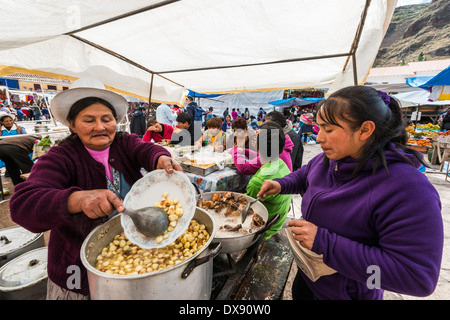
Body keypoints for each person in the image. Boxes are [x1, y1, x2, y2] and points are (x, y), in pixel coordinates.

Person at [257, 85, 443, 300]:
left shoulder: (408, 189)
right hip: (309, 280)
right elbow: (307, 174)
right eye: (318, 129)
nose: (319, 138)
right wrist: (281, 184)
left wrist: (325, 243)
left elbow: (417, 279)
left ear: (365, 130)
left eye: (328, 130)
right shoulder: (332, 158)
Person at [9, 78, 182, 299]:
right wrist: (77, 200)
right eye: (89, 120)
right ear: (72, 124)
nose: (100, 127)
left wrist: (160, 158)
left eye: (106, 119)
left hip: (134, 253)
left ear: (116, 121)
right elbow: (23, 205)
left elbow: (145, 150)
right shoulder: (60, 158)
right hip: (76, 270)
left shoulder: (123, 142)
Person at [245, 121, 292, 239]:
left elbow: (245, 210)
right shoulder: (282, 164)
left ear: (257, 146)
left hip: (263, 230)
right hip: (277, 222)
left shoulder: (257, 182)